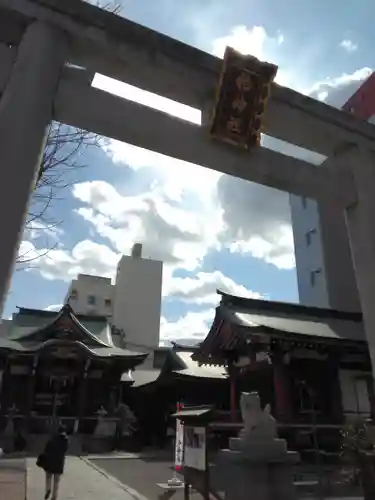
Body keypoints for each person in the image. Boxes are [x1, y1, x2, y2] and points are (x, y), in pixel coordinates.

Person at [39, 424, 69, 500]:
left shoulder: (52, 439)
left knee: (48, 477)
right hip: (59, 463)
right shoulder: (65, 441)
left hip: (50, 462)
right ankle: (54, 496)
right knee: (56, 481)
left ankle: (48, 489)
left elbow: (46, 449)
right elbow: (65, 450)